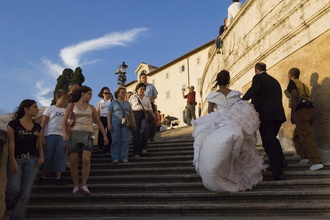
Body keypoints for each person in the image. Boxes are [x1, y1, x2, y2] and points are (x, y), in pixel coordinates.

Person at [193, 70, 265, 192]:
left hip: (219, 122)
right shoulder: (236, 94)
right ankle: (236, 175)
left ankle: (220, 173)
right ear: (228, 80)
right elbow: (240, 109)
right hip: (234, 121)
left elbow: (210, 111)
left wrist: (219, 114)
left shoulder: (212, 95)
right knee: (239, 149)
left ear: (217, 81)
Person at [242, 62, 287, 181]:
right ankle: (282, 162)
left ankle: (278, 172)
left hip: (266, 116)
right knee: (273, 139)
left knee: (268, 143)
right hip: (278, 115)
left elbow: (254, 88)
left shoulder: (258, 77)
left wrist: (243, 100)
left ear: (256, 70)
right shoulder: (274, 81)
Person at [62, 86, 108, 195]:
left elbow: (99, 122)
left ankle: (83, 184)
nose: (91, 96)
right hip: (74, 133)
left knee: (86, 159)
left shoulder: (91, 107)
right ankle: (76, 185)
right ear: (83, 94)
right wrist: (64, 133)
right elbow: (64, 121)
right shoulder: (71, 105)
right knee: (73, 161)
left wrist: (104, 134)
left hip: (87, 133)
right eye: (89, 94)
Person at [5, 99, 44, 219]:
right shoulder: (13, 124)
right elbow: (11, 144)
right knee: (13, 189)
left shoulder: (38, 126)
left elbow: (40, 143)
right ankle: (9, 207)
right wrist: (12, 159)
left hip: (33, 161)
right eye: (34, 107)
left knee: (25, 194)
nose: (37, 109)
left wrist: (42, 156)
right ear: (26, 109)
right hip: (17, 159)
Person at [285, 67, 324, 171]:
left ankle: (316, 161)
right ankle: (304, 157)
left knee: (306, 136)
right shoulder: (303, 85)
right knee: (297, 135)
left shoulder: (292, 83)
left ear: (290, 75)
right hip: (310, 111)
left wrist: (293, 113)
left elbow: (294, 97)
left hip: (301, 112)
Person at [39, 90, 68, 185]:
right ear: (57, 98)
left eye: (66, 98)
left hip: (61, 135)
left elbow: (68, 125)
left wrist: (67, 135)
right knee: (48, 155)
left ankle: (58, 177)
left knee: (60, 156)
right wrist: (42, 136)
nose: (65, 100)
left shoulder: (66, 110)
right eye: (63, 98)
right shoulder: (50, 109)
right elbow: (43, 123)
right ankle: (43, 175)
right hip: (50, 134)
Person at [107, 86, 132, 163]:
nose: (124, 94)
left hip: (126, 122)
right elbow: (109, 114)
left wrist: (133, 122)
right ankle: (115, 157)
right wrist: (109, 124)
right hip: (115, 122)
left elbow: (131, 113)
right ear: (118, 93)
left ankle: (124, 157)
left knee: (125, 139)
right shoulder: (113, 103)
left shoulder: (127, 103)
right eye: (122, 92)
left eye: (125, 92)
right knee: (115, 139)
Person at [129, 83, 154, 158]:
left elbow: (150, 108)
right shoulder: (132, 97)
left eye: (143, 89)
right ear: (137, 89)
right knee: (136, 132)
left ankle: (144, 148)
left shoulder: (147, 98)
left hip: (144, 114)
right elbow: (129, 108)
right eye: (141, 89)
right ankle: (136, 152)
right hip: (135, 114)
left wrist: (154, 116)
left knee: (145, 130)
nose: (142, 91)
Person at [139, 73, 158, 142]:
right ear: (140, 79)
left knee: (152, 120)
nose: (144, 78)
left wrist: (150, 99)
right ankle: (144, 136)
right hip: (141, 105)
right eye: (142, 77)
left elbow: (155, 95)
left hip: (150, 103)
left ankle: (151, 136)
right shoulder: (138, 87)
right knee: (143, 120)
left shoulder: (151, 86)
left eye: (145, 77)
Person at [96, 87, 113, 154]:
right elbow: (98, 110)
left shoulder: (112, 101)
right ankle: (101, 146)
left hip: (109, 117)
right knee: (101, 132)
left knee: (109, 132)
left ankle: (108, 148)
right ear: (102, 94)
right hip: (102, 117)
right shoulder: (100, 102)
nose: (107, 94)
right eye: (105, 93)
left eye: (108, 93)